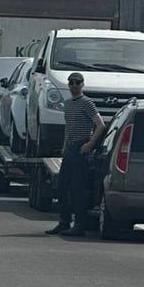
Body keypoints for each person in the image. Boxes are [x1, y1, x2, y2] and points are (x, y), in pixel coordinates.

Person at [45, 72, 105, 237]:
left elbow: (100, 125)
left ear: (82, 85)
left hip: (81, 148)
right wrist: (64, 146)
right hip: (70, 149)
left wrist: (89, 144)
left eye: (77, 83)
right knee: (62, 186)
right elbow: (68, 126)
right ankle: (64, 222)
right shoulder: (68, 104)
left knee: (78, 188)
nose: (74, 86)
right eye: (71, 83)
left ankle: (79, 225)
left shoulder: (87, 103)